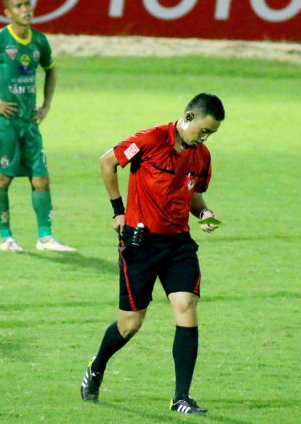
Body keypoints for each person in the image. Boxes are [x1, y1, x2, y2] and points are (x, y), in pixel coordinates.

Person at [80, 93, 225, 414]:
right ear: (188, 117)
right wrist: (118, 211)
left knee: (186, 306)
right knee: (130, 324)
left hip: (178, 245)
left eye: (211, 134)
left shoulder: (201, 156)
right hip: (140, 244)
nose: (205, 138)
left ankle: (181, 397)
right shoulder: (150, 140)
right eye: (203, 130)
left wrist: (205, 214)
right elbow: (107, 162)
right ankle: (97, 365)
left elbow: (194, 197)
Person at [0, 0, 75, 252]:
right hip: (6, 125)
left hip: (30, 124)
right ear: (8, 12)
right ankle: (6, 238)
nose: (26, 10)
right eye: (19, 6)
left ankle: (45, 237)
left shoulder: (39, 41)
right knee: (3, 180)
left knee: (41, 179)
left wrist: (45, 105)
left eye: (27, 4)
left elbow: (51, 70)